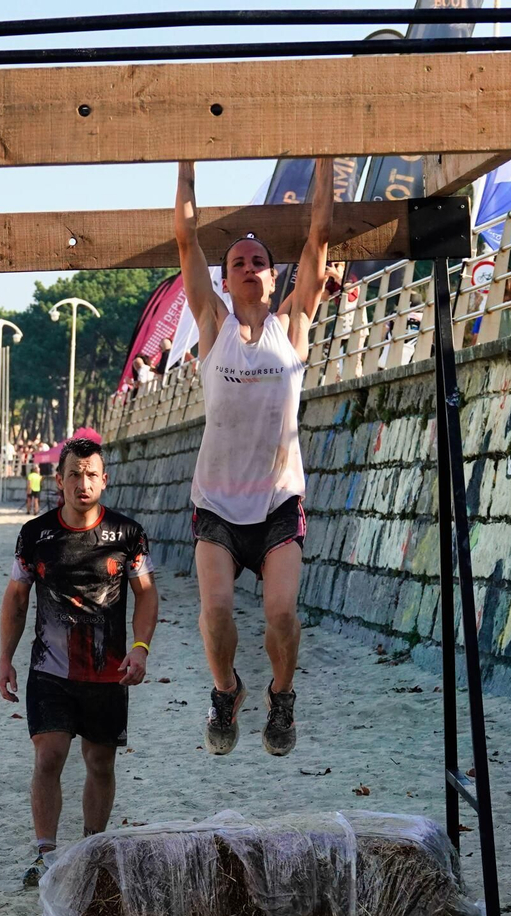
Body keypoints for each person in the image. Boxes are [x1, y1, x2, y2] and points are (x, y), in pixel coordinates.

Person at [176, 158, 329, 757]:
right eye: (237, 262)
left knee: (281, 613)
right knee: (215, 613)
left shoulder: (292, 324)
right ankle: (226, 691)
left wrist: (327, 157)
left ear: (273, 277)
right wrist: (186, 162)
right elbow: (186, 236)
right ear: (224, 277)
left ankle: (282, 698)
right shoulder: (210, 322)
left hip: (275, 500)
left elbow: (319, 234)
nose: (247, 268)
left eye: (257, 262)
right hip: (216, 499)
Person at [0, 436, 158, 888]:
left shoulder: (127, 534)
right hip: (50, 669)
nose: (82, 483)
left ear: (104, 481)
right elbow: (16, 597)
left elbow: (146, 594)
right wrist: (4, 659)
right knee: (49, 756)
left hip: (108, 671)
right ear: (59, 480)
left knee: (100, 762)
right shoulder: (35, 535)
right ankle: (45, 854)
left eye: (91, 474)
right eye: (73, 474)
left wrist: (141, 648)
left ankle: (91, 850)